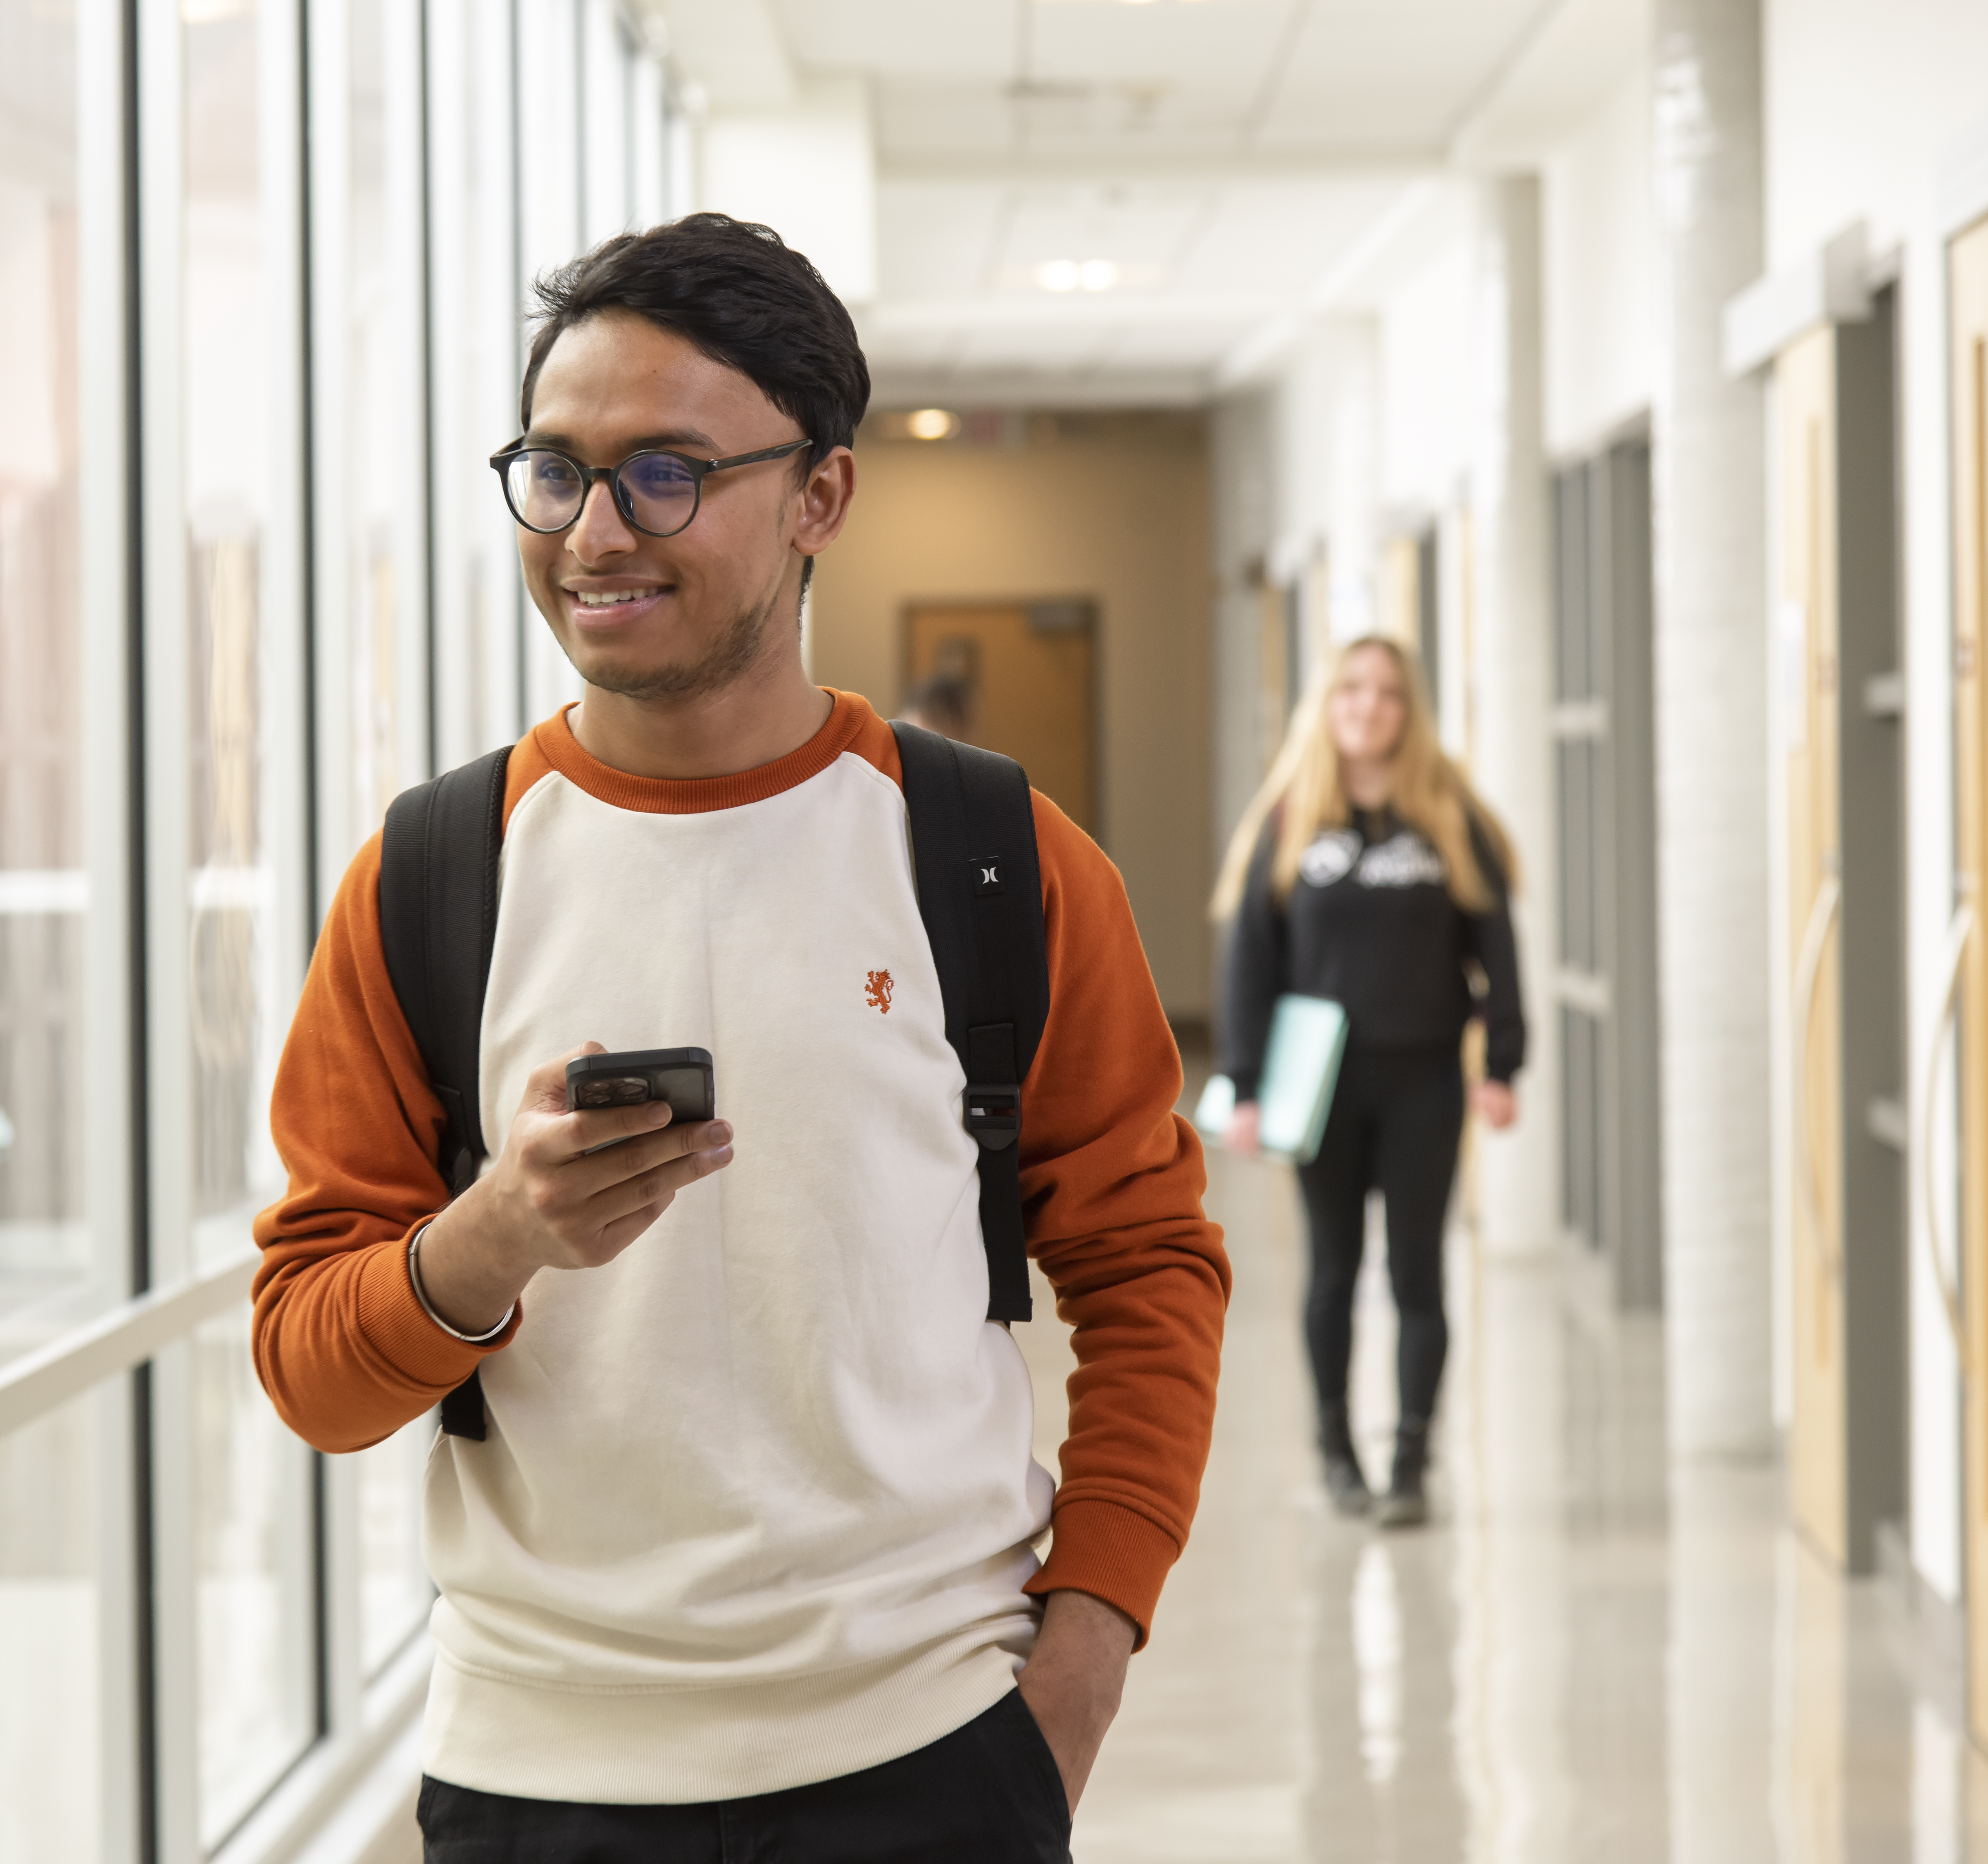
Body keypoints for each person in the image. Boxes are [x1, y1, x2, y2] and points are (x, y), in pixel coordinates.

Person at [252, 214, 1230, 1862]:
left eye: (666, 472)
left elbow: (1147, 1268)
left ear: (821, 496)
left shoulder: (993, 858)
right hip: (541, 1771)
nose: (593, 531)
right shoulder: (433, 881)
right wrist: (492, 1240)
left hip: (929, 1747)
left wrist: (1088, 1653)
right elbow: (311, 1371)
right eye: (554, 471)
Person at [1212, 634, 1522, 1529]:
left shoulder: (1447, 813)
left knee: (1418, 1272)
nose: (1369, 706)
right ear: (1328, 701)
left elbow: (1496, 944)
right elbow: (1251, 961)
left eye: (1387, 692)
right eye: (1352, 689)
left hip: (1425, 1078)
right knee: (1333, 1271)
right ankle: (1337, 1451)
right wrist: (1244, 1082)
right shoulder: (1292, 816)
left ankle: (1413, 1460)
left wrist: (1501, 1062)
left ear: (1408, 708)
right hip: (1321, 1085)